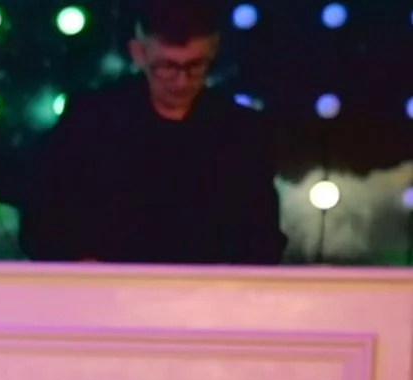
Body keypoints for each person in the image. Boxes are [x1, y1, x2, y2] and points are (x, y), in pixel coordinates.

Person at [20, 0, 285, 264]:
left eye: (195, 66)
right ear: (138, 53)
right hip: (108, 295)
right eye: (167, 67)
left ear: (214, 51)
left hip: (208, 298)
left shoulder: (241, 132)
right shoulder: (90, 121)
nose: (182, 81)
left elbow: (262, 239)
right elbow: (42, 221)